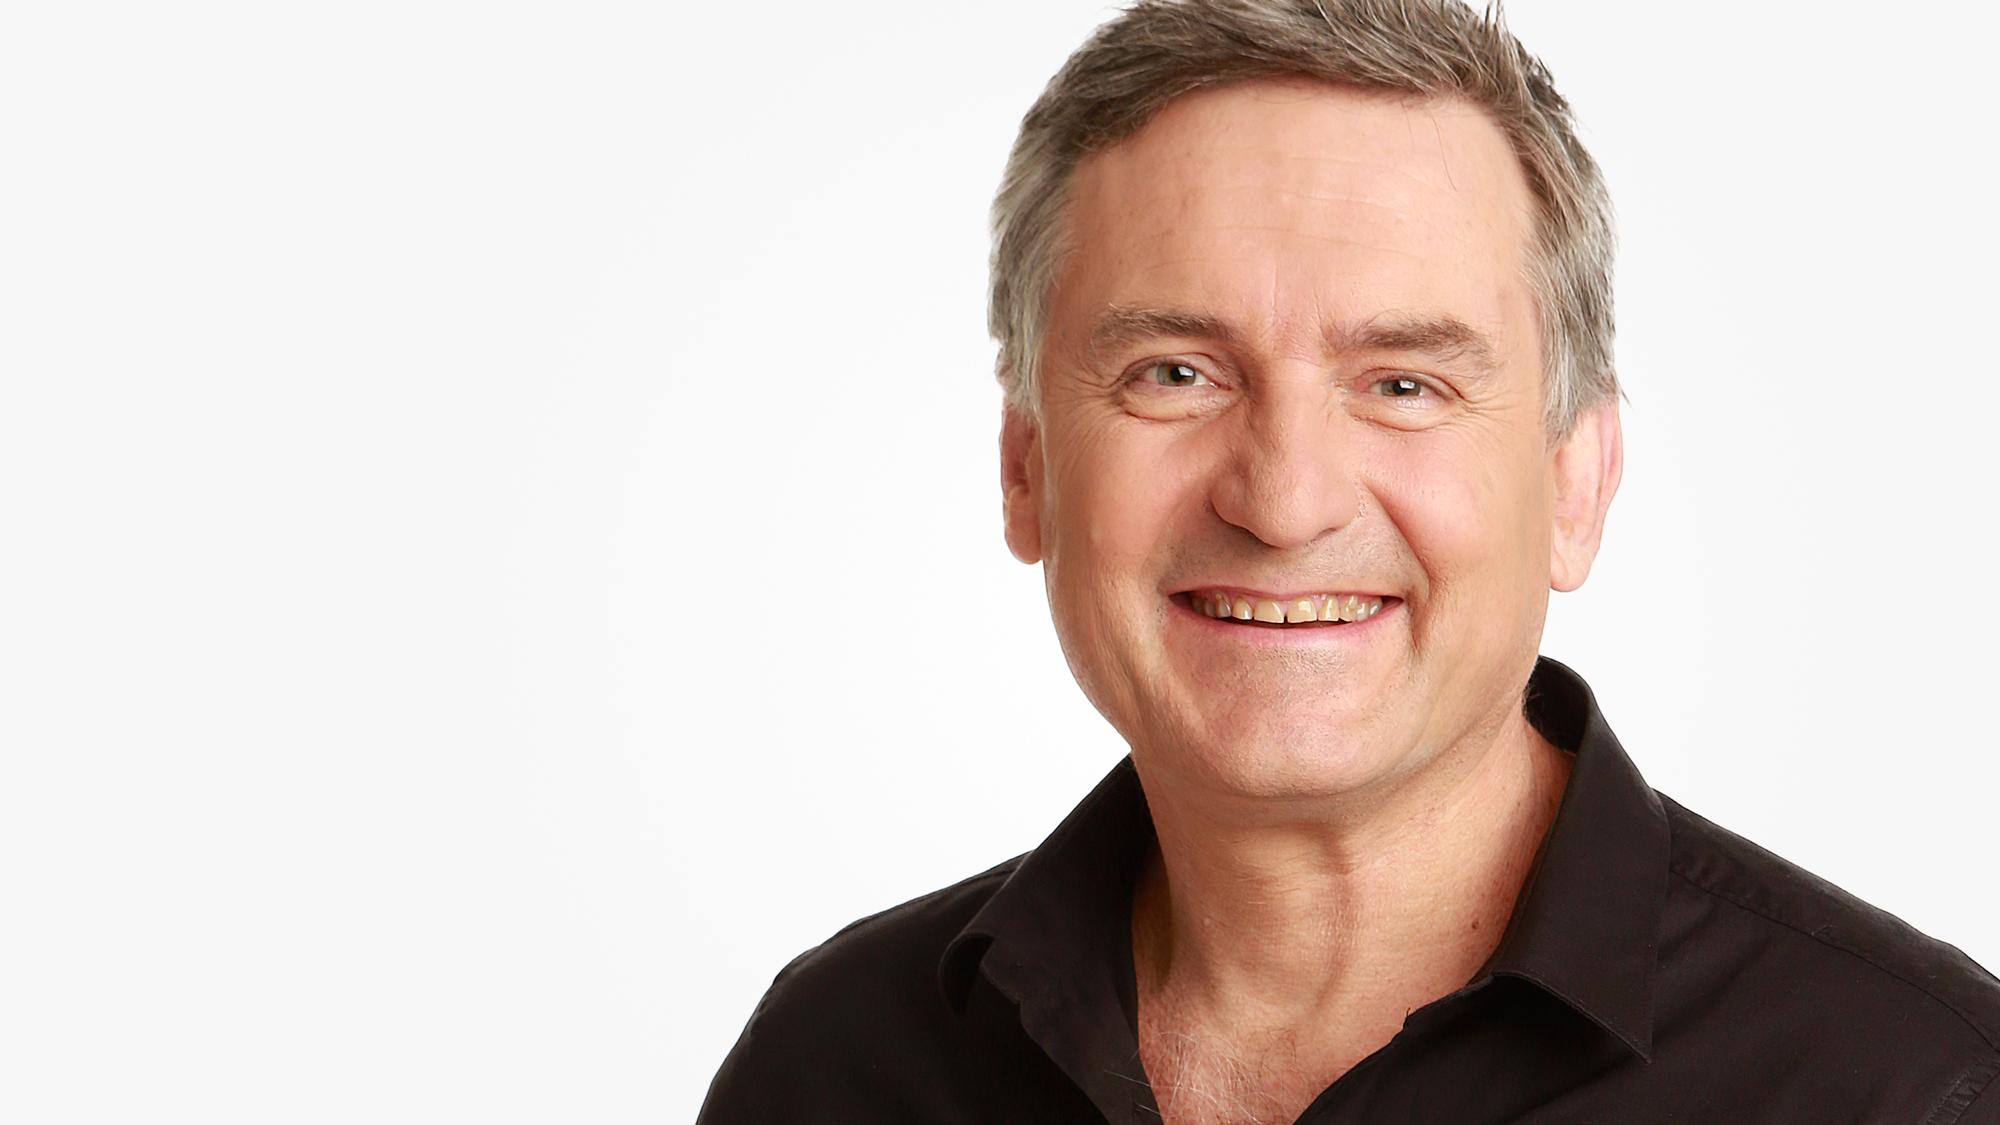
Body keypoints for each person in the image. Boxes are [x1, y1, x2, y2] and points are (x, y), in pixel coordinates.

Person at [697, 1, 2000, 1121]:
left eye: (1402, 383)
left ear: (1576, 482)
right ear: (1025, 467)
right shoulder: (837, 1066)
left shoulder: (1914, 1090)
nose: (1283, 500)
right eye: (1175, 373)